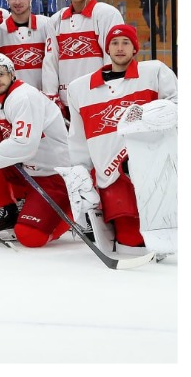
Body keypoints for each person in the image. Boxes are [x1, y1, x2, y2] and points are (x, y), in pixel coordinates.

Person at [66, 24, 178, 250]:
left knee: (163, 235)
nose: (119, 48)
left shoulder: (153, 72)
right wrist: (80, 170)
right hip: (112, 176)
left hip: (152, 169)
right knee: (132, 241)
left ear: (135, 48)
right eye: (114, 43)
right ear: (107, 49)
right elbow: (78, 137)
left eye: (126, 43)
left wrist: (145, 115)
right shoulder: (80, 89)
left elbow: (176, 107)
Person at [0, 53, 73, 246]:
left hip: (53, 176)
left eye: (1, 74)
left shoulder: (24, 97)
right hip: (27, 172)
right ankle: (8, 210)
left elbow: (25, 145)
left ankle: (73, 211)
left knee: (30, 237)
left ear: (12, 74)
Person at [42, 0, 124, 111]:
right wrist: (51, 94)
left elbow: (112, 56)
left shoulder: (106, 14)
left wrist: (111, 87)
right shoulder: (56, 20)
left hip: (99, 96)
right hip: (68, 99)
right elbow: (50, 60)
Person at [0, 0, 52, 91]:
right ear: (7, 0)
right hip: (11, 97)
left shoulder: (46, 24)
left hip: (42, 96)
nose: (18, 2)